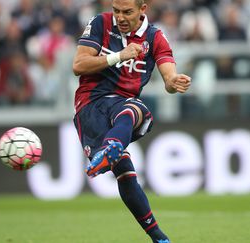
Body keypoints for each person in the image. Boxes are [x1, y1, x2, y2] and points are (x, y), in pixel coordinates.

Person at [71, 0, 191, 242]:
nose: (120, 17)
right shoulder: (100, 23)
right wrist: (119, 56)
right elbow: (78, 65)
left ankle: (159, 238)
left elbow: (168, 76)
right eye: (117, 11)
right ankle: (112, 147)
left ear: (142, 10)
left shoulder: (155, 37)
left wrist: (171, 81)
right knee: (126, 160)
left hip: (122, 109)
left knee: (136, 112)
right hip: (90, 106)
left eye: (127, 12)